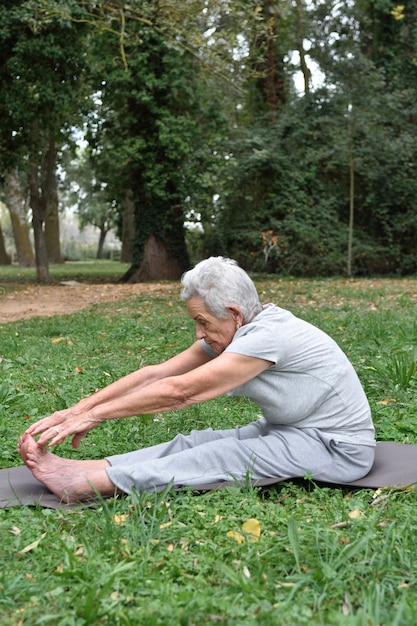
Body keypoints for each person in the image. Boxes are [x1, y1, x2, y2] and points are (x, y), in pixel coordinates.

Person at [18, 257, 375, 503]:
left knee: (225, 453)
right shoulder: (242, 329)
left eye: (203, 321)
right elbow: (157, 374)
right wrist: (79, 409)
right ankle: (97, 468)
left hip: (337, 447)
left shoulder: (268, 337)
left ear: (234, 314)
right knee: (194, 441)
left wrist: (95, 416)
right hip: (290, 429)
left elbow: (181, 391)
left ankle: (93, 484)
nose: (200, 333)